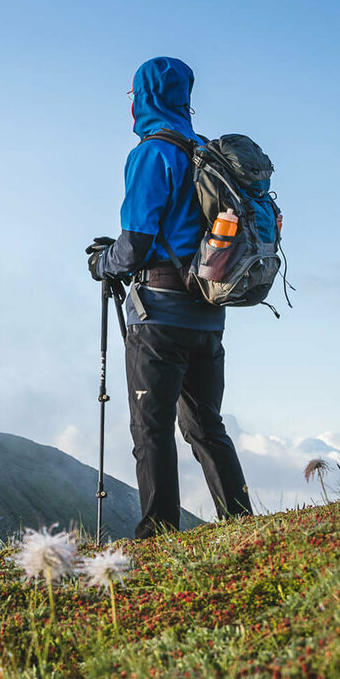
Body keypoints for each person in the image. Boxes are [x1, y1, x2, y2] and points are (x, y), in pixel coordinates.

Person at [86, 55, 252, 539]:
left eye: (134, 94)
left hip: (159, 315)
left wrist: (102, 262)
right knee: (206, 426)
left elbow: (135, 243)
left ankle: (158, 532)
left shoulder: (152, 153)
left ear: (145, 96)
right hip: (209, 313)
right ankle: (240, 522)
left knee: (151, 428)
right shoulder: (207, 153)